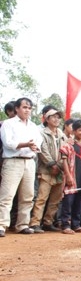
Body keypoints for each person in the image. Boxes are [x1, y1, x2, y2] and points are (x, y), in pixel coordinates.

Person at [0, 97, 43, 237]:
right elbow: (8, 143)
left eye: (29, 108)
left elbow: (38, 142)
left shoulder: (33, 126)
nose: (27, 110)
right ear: (17, 108)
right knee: (7, 195)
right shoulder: (8, 123)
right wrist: (26, 144)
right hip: (13, 161)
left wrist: (34, 146)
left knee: (28, 196)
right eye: (24, 107)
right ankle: (1, 225)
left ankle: (22, 224)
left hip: (29, 161)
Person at [29, 108, 66, 233]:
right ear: (47, 119)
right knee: (41, 198)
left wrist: (59, 165)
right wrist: (51, 164)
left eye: (58, 117)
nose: (56, 119)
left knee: (55, 199)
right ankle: (35, 223)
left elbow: (65, 151)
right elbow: (42, 150)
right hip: (46, 170)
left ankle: (48, 222)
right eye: (53, 117)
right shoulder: (41, 133)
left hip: (59, 171)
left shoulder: (61, 134)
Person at [59, 119, 81, 234]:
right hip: (72, 176)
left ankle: (76, 224)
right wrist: (68, 175)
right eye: (79, 130)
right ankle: (65, 224)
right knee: (68, 202)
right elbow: (64, 161)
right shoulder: (68, 145)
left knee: (79, 202)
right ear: (73, 131)